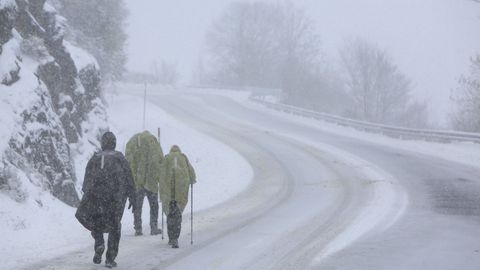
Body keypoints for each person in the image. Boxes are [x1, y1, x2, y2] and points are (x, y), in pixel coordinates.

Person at [75, 131, 135, 268]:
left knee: (97, 222)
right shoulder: (120, 158)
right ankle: (110, 258)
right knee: (115, 227)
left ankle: (99, 242)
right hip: (115, 199)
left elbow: (86, 181)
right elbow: (129, 178)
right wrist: (132, 196)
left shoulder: (95, 157)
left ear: (102, 143)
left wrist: (88, 196)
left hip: (96, 199)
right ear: (114, 143)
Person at [125, 131, 164, 236]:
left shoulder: (132, 142)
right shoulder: (153, 142)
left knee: (137, 205)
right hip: (150, 180)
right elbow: (159, 161)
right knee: (154, 204)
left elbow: (128, 161)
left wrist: (132, 177)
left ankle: (138, 228)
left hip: (137, 180)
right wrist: (159, 177)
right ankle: (153, 227)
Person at [159, 145, 196, 248]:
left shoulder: (167, 158)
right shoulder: (183, 157)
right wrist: (192, 180)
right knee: (177, 214)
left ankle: (171, 237)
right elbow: (191, 172)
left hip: (169, 191)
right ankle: (175, 237)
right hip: (180, 190)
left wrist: (162, 187)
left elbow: (161, 173)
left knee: (170, 214)